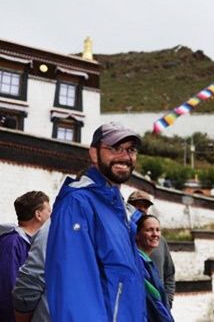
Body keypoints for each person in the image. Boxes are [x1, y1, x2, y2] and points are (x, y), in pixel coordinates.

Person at [45, 122, 147, 321]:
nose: (125, 157)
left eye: (131, 150)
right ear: (94, 154)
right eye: (115, 148)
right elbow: (74, 292)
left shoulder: (115, 209)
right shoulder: (78, 204)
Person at [0, 191, 50, 322]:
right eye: (49, 212)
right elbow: (7, 289)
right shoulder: (13, 243)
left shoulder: (35, 242)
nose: (51, 217)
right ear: (38, 214)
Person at [128, 190, 176, 308]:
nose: (141, 208)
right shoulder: (124, 238)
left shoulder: (160, 241)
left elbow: (169, 273)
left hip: (158, 306)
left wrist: (168, 301)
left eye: (145, 205)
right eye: (136, 204)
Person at [135, 215, 174, 322]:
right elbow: (152, 303)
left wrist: (168, 301)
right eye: (149, 230)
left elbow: (170, 274)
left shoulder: (147, 262)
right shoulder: (138, 263)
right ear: (137, 234)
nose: (155, 234)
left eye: (158, 230)